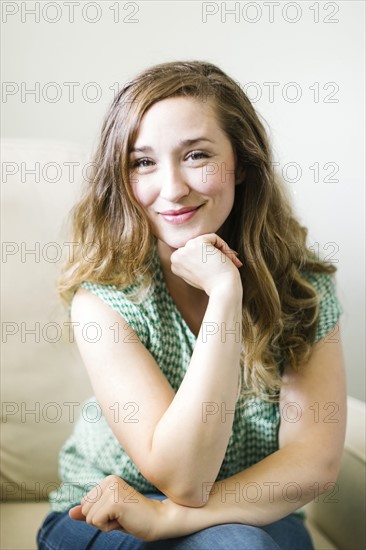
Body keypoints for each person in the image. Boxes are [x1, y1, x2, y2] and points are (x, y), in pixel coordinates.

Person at [37, 60, 346, 549]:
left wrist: (226, 289)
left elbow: (315, 461)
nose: (173, 188)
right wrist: (226, 302)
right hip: (107, 507)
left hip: (253, 509)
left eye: (197, 155)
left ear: (241, 163)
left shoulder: (303, 288)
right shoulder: (105, 299)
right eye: (143, 163)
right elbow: (183, 478)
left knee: (240, 544)